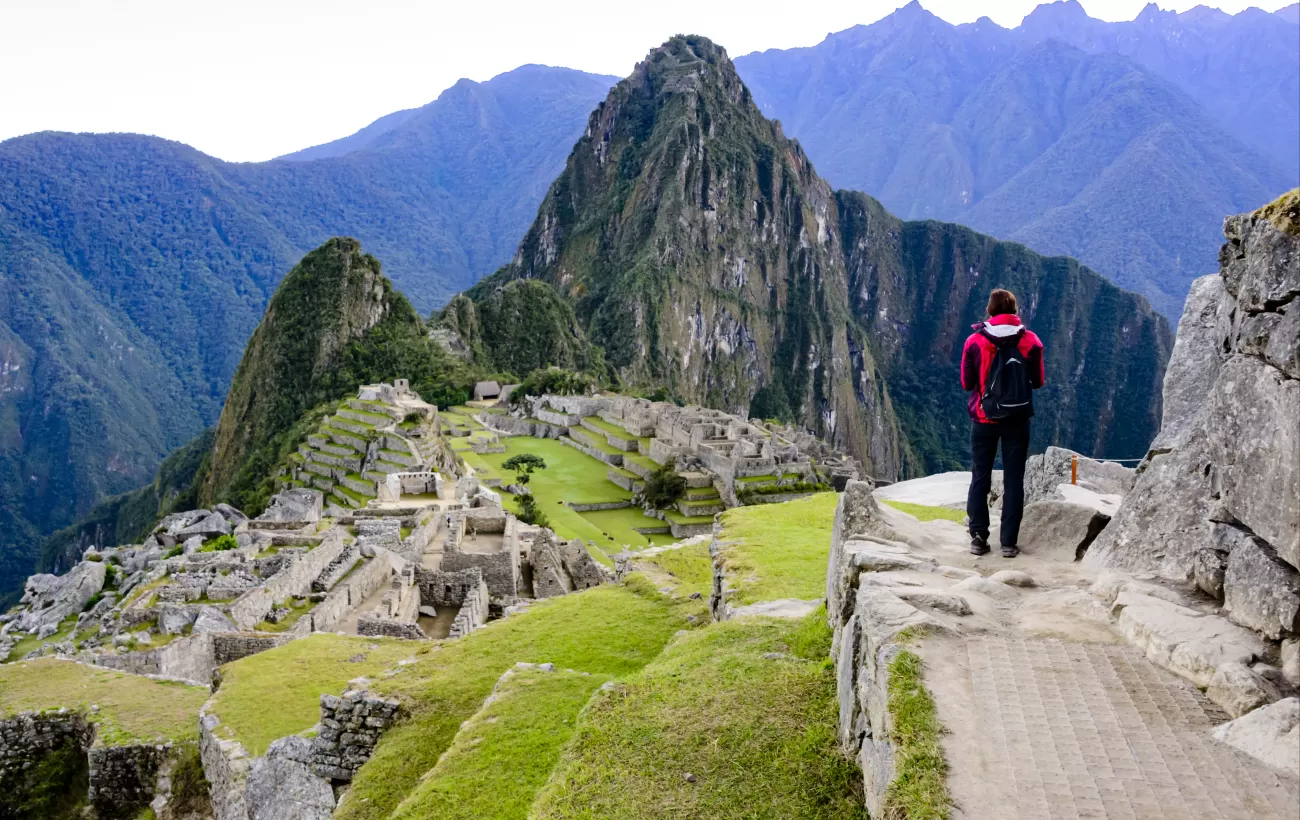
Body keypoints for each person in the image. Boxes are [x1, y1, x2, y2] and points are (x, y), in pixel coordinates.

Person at [961, 288, 1045, 558]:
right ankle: (1008, 543)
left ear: (989, 310)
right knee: (1014, 481)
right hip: (1017, 420)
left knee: (980, 477)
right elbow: (1038, 381)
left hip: (983, 419)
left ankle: (978, 537)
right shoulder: (1031, 341)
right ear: (1015, 311)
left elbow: (967, 384)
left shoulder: (974, 341)